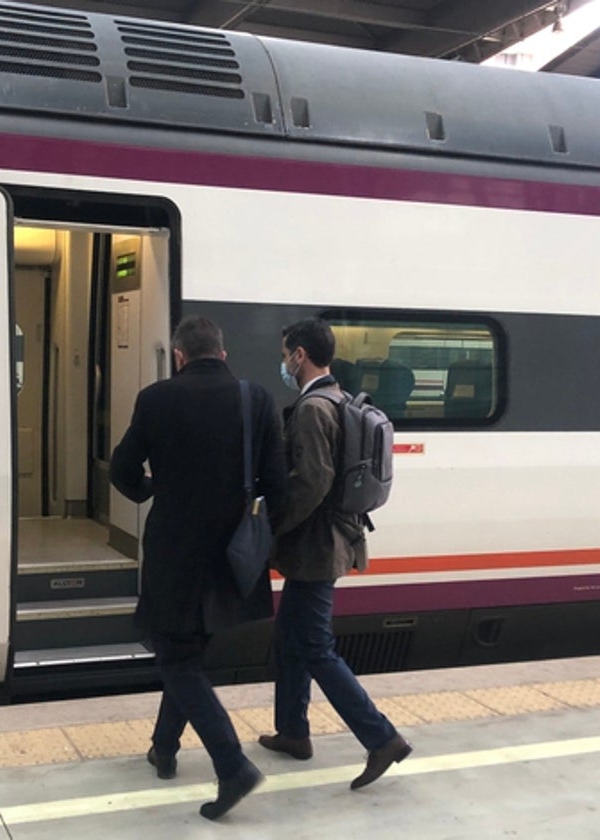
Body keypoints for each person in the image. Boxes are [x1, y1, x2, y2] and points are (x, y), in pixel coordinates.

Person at [111, 315, 286, 820]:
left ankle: (232, 766)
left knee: (176, 660)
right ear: (224, 354)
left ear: (180, 356)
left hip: (175, 553)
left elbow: (124, 470)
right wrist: (260, 543)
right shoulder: (257, 400)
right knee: (188, 655)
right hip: (232, 555)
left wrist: (151, 490)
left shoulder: (157, 398)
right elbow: (279, 487)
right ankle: (163, 748)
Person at [259, 317, 413, 790]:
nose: (284, 362)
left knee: (316, 647)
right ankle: (293, 732)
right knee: (290, 638)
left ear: (300, 355)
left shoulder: (312, 409)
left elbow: (313, 482)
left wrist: (271, 526)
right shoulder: (339, 398)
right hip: (330, 540)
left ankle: (381, 737)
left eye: (287, 353)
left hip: (315, 546)